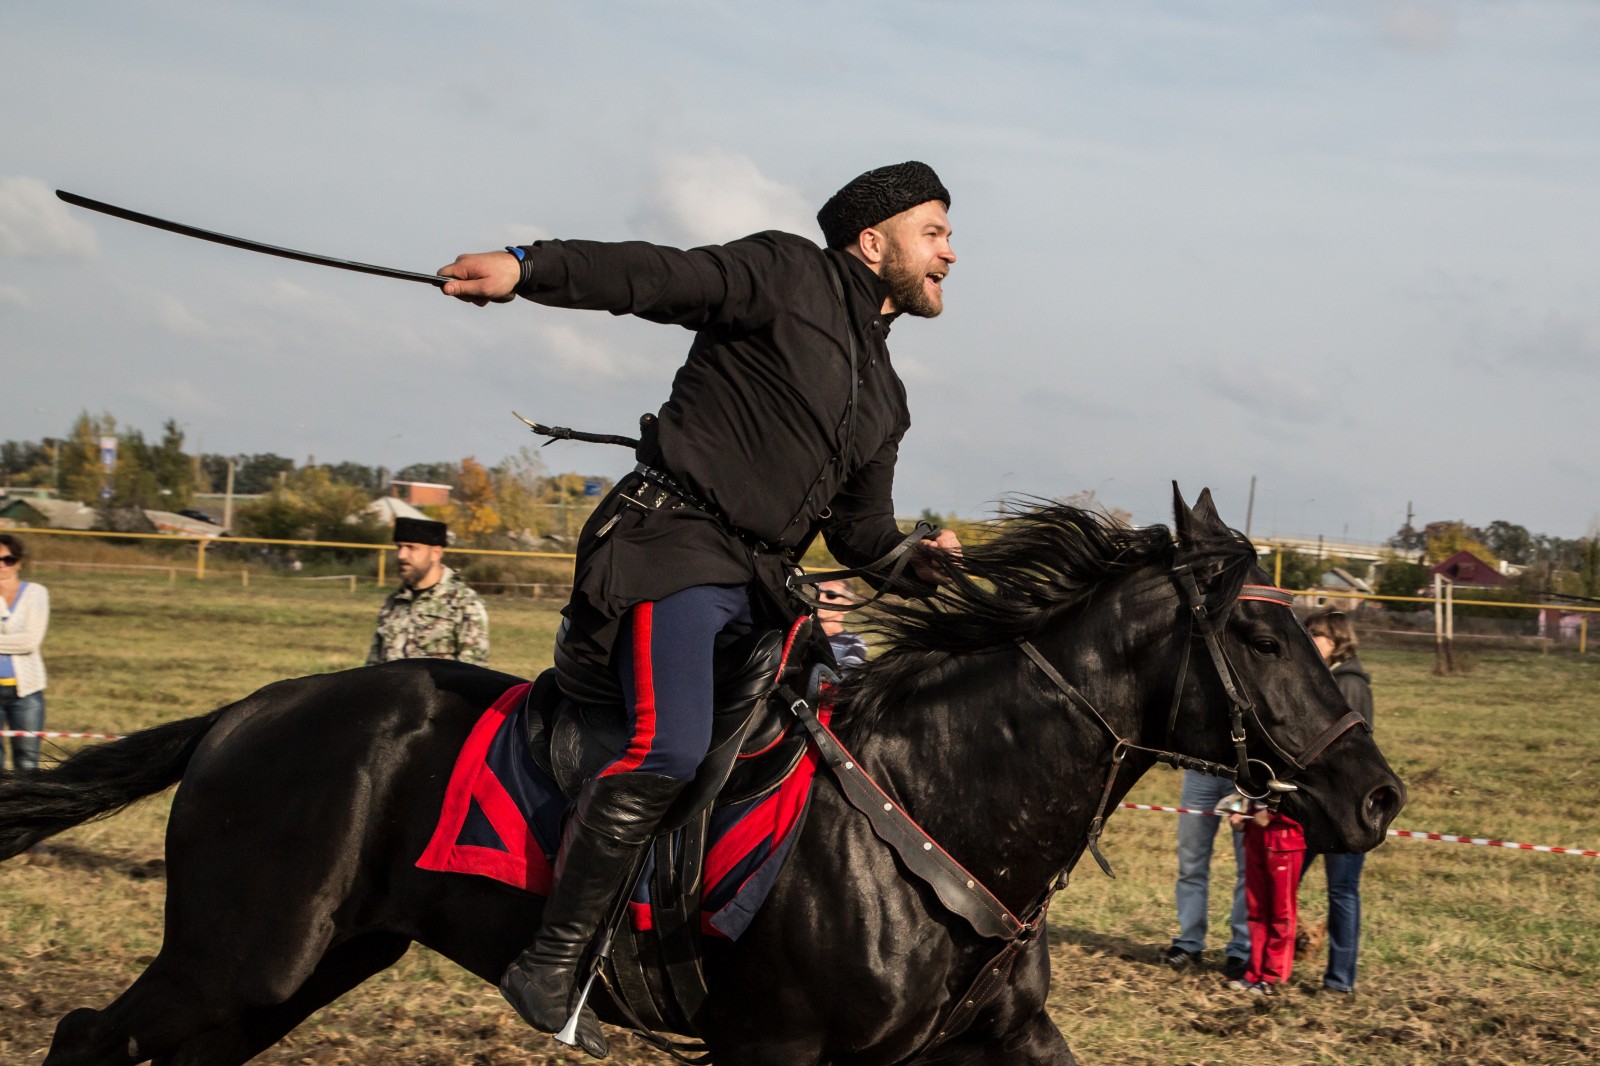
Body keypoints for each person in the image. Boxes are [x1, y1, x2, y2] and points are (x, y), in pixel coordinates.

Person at [436, 160, 963, 1054]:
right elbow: (657, 275)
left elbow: (861, 532)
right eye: (935, 233)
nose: (950, 253)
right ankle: (554, 959)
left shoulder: (888, 398)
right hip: (667, 552)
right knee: (668, 746)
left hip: (762, 592)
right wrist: (528, 267)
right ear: (874, 244)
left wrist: (913, 560)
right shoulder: (784, 271)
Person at [1301, 608, 1373, 994]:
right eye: (1307, 632)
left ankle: (1340, 981)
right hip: (1319, 804)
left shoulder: (1348, 684)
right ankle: (1273, 959)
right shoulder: (1328, 678)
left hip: (1347, 807)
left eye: (1317, 634)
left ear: (1338, 640)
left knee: (1342, 891)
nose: (1309, 640)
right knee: (1284, 879)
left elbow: (1335, 748)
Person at [366, 517, 490, 666]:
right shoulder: (394, 603)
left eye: (411, 548)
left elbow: (475, 675)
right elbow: (373, 667)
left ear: (435, 553)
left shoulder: (464, 604)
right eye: (399, 547)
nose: (401, 555)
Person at [1165, 769, 1251, 980]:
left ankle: (1241, 950)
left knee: (1248, 870)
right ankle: (1189, 943)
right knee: (1190, 865)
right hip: (1199, 773)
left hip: (1244, 777)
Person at [1225, 794, 1307, 994]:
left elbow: (1303, 795)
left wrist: (1271, 813)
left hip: (1283, 838)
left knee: (1281, 913)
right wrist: (1235, 811)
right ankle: (1253, 973)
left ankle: (1273, 977)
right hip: (1254, 835)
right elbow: (1240, 788)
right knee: (1255, 910)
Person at [0, 533, 49, 775]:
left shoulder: (36, 593)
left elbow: (30, 641)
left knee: (27, 764)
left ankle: (26, 811)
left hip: (26, 693)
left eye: (8, 559)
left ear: (18, 562)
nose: (2, 565)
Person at [816, 578, 868, 673]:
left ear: (847, 606)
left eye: (831, 595)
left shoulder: (854, 644)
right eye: (818, 592)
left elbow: (844, 680)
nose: (820, 598)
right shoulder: (800, 632)